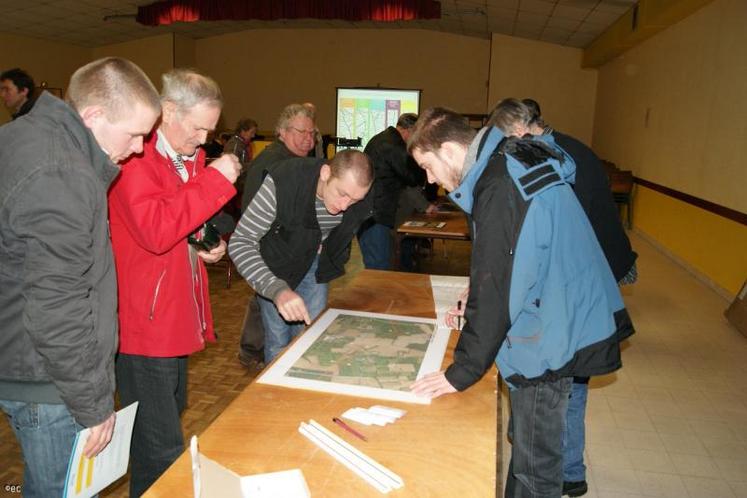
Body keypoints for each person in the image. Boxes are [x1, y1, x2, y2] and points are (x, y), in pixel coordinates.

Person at [408, 102, 634, 497]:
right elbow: (518, 257)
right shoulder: (507, 160)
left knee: (537, 464)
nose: (430, 180)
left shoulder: (498, 183)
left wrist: (458, 373)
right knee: (529, 443)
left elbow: (499, 291)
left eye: (427, 165)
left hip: (552, 333)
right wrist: (481, 285)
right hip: (562, 308)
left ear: (448, 150)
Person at [0, 57, 161, 498]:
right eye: (134, 133)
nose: (140, 148)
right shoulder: (63, 172)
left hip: (22, 358)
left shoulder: (20, 137)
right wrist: (92, 405)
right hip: (49, 381)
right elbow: (58, 305)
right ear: (93, 116)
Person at [108, 68, 241, 497]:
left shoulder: (185, 157)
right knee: (161, 447)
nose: (204, 139)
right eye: (199, 127)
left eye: (211, 129)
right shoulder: (136, 161)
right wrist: (216, 180)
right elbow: (155, 229)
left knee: (162, 429)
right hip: (143, 327)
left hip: (175, 315)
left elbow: (182, 220)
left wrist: (204, 244)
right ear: (167, 112)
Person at [522, 98, 638, 497]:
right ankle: (569, 468)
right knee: (573, 373)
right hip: (599, 268)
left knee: (569, 376)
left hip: (588, 276)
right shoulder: (570, 146)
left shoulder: (553, 158)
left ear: (524, 128)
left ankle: (569, 473)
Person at [229, 150, 373, 363]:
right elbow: (240, 242)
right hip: (274, 264)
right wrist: (277, 290)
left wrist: (324, 247)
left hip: (313, 260)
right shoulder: (283, 182)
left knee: (311, 339)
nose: (344, 206)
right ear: (326, 173)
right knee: (279, 342)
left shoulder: (358, 194)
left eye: (354, 200)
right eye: (341, 194)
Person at [237, 103, 317, 369]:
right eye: (301, 132)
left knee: (294, 331)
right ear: (282, 132)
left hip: (293, 257)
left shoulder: (298, 161)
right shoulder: (272, 164)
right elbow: (253, 221)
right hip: (274, 259)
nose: (308, 138)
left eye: (312, 133)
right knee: (279, 338)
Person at [357, 113, 435, 270]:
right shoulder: (393, 145)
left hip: (373, 213)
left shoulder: (385, 139)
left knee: (380, 264)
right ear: (409, 130)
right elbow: (412, 177)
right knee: (378, 268)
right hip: (375, 215)